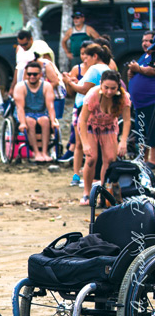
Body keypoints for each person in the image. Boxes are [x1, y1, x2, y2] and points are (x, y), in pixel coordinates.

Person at [63, 43, 111, 203]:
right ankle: (100, 188)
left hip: (88, 113)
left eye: (86, 56)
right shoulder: (110, 66)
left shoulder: (94, 69)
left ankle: (82, 182)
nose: (84, 59)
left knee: (83, 149)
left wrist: (69, 82)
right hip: (104, 117)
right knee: (104, 157)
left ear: (94, 56)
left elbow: (83, 90)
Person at [78, 70, 131, 205]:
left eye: (113, 88)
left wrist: (123, 141)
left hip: (109, 127)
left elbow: (126, 120)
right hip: (90, 126)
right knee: (91, 158)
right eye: (106, 87)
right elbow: (82, 121)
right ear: (101, 84)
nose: (109, 92)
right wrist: (85, 143)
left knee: (110, 159)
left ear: (118, 87)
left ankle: (103, 191)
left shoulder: (123, 97)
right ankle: (87, 192)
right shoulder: (93, 95)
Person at [13, 61, 58, 163]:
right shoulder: (20, 87)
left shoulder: (46, 86)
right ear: (26, 74)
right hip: (26, 113)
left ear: (40, 75)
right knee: (30, 122)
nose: (32, 76)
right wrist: (22, 122)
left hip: (41, 112)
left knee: (45, 120)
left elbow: (50, 106)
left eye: (35, 74)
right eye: (29, 74)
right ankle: (36, 152)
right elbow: (20, 108)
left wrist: (53, 120)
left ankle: (45, 152)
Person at [128, 31, 155, 164]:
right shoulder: (144, 56)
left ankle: (153, 160)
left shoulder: (153, 56)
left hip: (151, 101)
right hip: (140, 104)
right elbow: (137, 69)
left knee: (153, 132)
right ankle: (142, 159)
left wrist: (138, 69)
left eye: (149, 41)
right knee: (141, 132)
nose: (145, 43)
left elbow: (152, 70)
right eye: (143, 40)